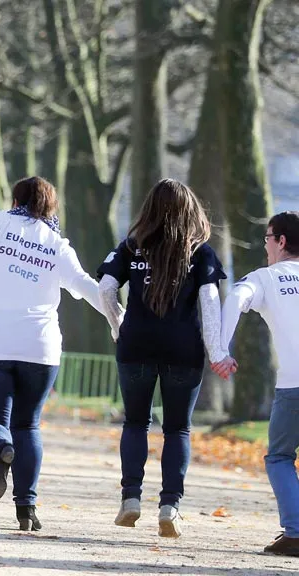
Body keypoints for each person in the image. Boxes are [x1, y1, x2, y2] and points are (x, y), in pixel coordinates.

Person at [0, 175, 116, 531]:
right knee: (28, 424)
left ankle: (0, 447)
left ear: (16, 199)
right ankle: (27, 509)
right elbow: (89, 287)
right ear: (50, 207)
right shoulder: (57, 245)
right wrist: (121, 323)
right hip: (41, 348)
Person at [97, 178, 226, 538]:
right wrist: (217, 352)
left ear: (149, 208)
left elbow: (106, 288)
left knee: (135, 423)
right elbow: (210, 305)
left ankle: (131, 499)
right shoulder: (200, 252)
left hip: (135, 344)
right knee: (178, 428)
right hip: (183, 349)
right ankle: (170, 506)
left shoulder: (130, 247)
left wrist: (118, 323)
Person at [214, 211, 299, 556]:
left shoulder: (267, 278)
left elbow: (234, 298)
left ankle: (295, 531)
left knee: (279, 457)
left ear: (280, 241)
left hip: (294, 385)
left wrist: (221, 350)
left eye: (267, 238)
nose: (266, 246)